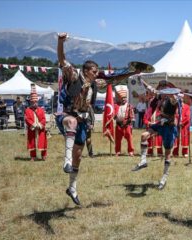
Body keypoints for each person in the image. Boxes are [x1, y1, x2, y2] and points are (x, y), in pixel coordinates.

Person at [56, 32, 143, 205]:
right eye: (94, 71)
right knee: (71, 122)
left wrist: (132, 72)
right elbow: (62, 59)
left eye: (97, 72)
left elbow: (114, 79)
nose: (97, 74)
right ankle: (65, 162)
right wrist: (60, 41)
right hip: (66, 115)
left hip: (82, 121)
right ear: (86, 71)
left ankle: (72, 188)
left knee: (78, 156)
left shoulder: (96, 83)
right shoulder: (73, 75)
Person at [132, 80, 181, 190]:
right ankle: (143, 161)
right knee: (144, 136)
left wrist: (172, 94)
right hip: (160, 124)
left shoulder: (173, 99)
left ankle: (164, 178)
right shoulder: (160, 96)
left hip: (169, 127)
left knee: (167, 154)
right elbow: (150, 89)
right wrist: (141, 80)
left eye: (162, 88)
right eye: (160, 88)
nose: (160, 90)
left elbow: (174, 101)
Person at [25, 85, 47, 161]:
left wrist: (40, 125)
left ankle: (43, 155)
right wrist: (34, 125)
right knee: (31, 142)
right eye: (33, 102)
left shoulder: (41, 110)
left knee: (43, 141)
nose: (35, 103)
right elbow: (27, 119)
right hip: (32, 128)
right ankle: (33, 156)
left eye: (36, 102)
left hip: (40, 128)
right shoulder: (28, 110)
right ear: (30, 102)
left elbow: (44, 119)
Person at [114, 88, 135, 157]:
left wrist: (126, 124)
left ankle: (131, 151)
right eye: (122, 98)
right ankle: (117, 151)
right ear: (120, 98)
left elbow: (131, 117)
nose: (123, 99)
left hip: (127, 125)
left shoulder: (129, 106)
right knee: (117, 140)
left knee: (129, 139)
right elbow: (113, 116)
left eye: (124, 98)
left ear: (126, 99)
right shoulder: (116, 106)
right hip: (118, 124)